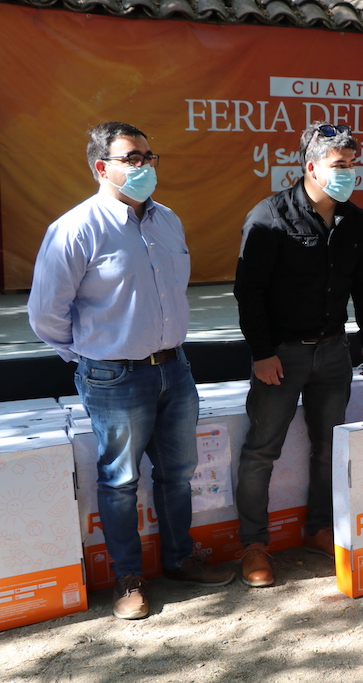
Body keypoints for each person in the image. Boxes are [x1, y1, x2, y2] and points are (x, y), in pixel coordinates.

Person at [27, 122, 234, 620]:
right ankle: (128, 578)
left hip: (174, 369)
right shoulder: (77, 228)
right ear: (103, 167)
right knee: (119, 480)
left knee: (178, 473)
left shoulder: (168, 221)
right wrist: (87, 355)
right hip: (113, 377)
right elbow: (44, 313)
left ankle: (180, 560)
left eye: (148, 156)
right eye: (132, 159)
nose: (144, 166)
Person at [233, 123, 363, 587]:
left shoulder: (354, 219)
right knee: (262, 451)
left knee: (328, 448)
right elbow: (248, 293)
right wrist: (261, 354)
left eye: (352, 165)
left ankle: (317, 528)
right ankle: (254, 545)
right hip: (281, 355)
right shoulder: (268, 217)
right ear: (311, 167)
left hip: (334, 353)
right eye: (340, 165)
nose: (348, 173)